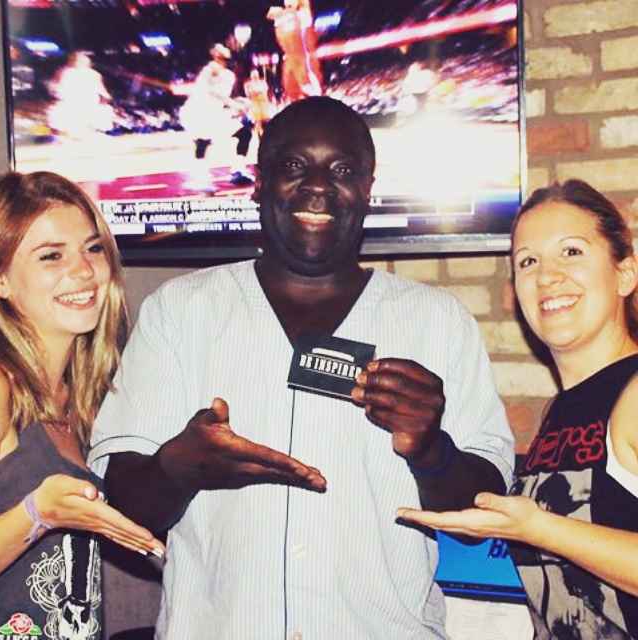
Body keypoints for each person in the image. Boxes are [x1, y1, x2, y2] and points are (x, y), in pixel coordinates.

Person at [89, 96, 514, 639]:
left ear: (368, 188)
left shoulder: (438, 320)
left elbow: (483, 515)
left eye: (343, 170)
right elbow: (123, 506)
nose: (318, 185)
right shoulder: (179, 311)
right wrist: (179, 466)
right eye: (294, 165)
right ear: (259, 182)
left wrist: (433, 452)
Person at [397, 179, 638, 639]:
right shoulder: (561, 411)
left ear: (625, 273)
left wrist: (537, 528)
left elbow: (546, 532)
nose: (546, 276)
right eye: (528, 261)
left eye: (571, 252)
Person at [0, 171, 165, 640]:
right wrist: (37, 514)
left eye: (92, 249)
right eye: (51, 256)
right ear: (2, 280)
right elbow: (41, 514)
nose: (84, 270)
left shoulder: (83, 399)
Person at [179, 44, 253, 191]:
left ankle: (238, 170)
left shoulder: (229, 75)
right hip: (197, 111)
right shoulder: (210, 68)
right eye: (218, 49)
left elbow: (224, 95)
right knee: (202, 141)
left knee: (244, 133)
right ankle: (200, 178)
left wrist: (241, 102)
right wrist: (231, 103)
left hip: (213, 114)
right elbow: (210, 90)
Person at [47, 52, 115, 141]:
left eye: (83, 61)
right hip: (69, 103)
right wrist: (56, 91)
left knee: (101, 112)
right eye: (79, 60)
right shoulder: (65, 72)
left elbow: (100, 89)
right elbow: (54, 86)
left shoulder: (93, 74)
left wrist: (106, 97)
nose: (81, 63)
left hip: (89, 104)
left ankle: (87, 135)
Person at [267, 0, 323, 103]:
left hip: (302, 58)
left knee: (310, 89)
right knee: (292, 92)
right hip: (289, 59)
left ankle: (319, 107)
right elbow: (266, 12)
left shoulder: (302, 13)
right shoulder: (279, 15)